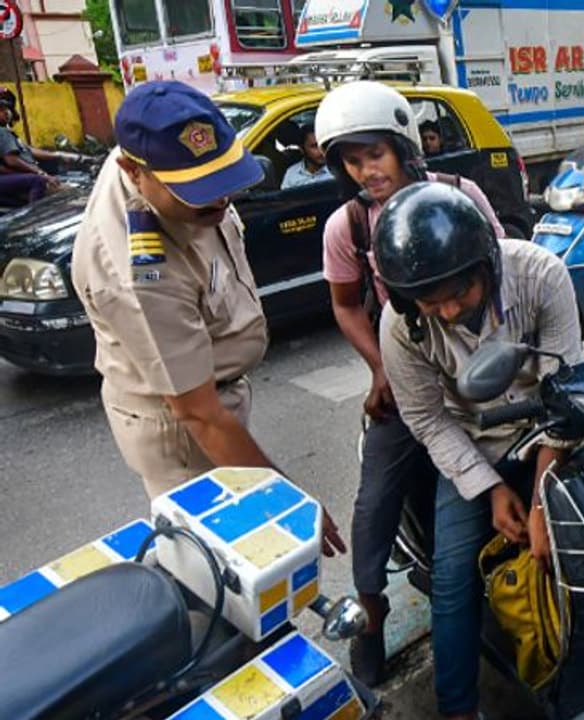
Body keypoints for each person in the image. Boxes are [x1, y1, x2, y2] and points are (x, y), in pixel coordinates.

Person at [69, 81, 345, 551]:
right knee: (217, 562)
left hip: (213, 397)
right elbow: (200, 415)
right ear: (132, 172)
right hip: (183, 430)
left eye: (225, 178)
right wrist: (288, 504)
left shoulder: (155, 145)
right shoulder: (137, 278)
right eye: (198, 191)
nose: (221, 200)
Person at [314, 80, 505, 686]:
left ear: (403, 146)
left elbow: (499, 273)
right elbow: (346, 304)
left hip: (479, 365)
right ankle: (370, 615)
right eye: (352, 160)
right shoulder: (348, 226)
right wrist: (380, 367)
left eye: (375, 154)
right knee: (375, 500)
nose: (366, 171)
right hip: (405, 373)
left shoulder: (461, 196)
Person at [376, 182, 582, 720]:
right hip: (474, 446)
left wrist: (541, 504)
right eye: (430, 301)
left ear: (486, 265)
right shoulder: (400, 327)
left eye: (460, 293)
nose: (447, 311)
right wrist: (490, 491)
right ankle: (458, 709)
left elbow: (562, 391)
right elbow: (427, 418)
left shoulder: (541, 276)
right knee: (453, 579)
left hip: (551, 432)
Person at [280, 124, 332, 188]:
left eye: (323, 145)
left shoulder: (336, 170)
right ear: (302, 149)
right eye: (314, 146)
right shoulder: (291, 174)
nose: (321, 151)